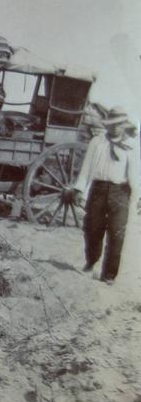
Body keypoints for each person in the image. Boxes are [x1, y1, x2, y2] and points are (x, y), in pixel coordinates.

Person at [73, 106, 139, 284]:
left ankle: (109, 275)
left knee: (117, 233)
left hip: (121, 192)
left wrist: (139, 196)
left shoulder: (132, 145)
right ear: (107, 125)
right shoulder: (97, 142)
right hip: (98, 190)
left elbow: (137, 173)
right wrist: (79, 189)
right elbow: (86, 167)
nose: (116, 127)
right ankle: (91, 261)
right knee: (92, 229)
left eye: (119, 124)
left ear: (124, 125)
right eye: (112, 124)